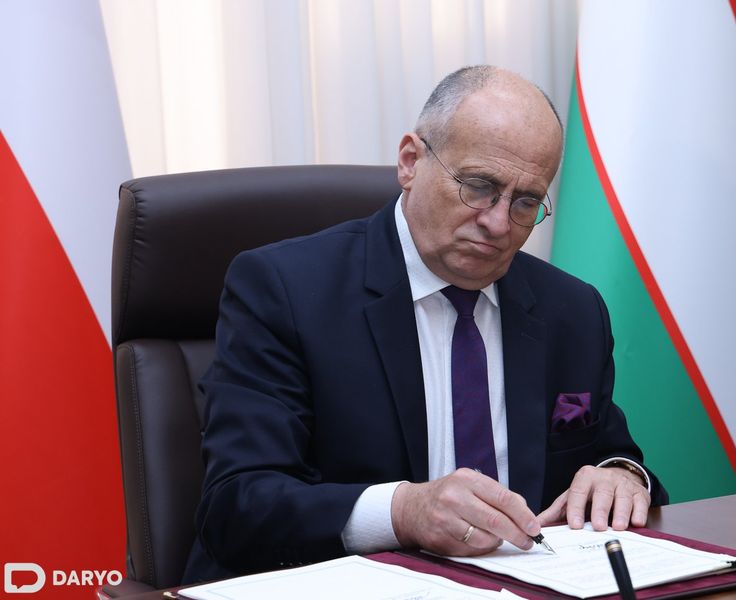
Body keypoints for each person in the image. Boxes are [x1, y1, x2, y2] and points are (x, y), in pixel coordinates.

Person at [183, 65, 667, 583]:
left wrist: (621, 476)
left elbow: (611, 454)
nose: (498, 223)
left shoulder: (572, 310)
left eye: (526, 201)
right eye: (479, 187)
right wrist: (403, 512)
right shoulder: (284, 290)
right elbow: (238, 505)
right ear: (410, 162)